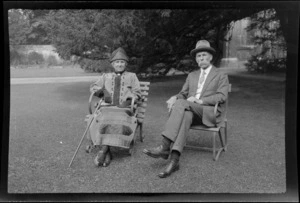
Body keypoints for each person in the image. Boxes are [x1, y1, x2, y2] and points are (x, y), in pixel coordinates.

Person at [143, 40, 229, 178]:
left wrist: (200, 100)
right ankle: (174, 160)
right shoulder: (192, 75)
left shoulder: (220, 75)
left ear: (211, 57)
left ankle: (165, 147)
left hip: (209, 112)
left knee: (182, 104)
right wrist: (174, 97)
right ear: (196, 59)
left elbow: (222, 96)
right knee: (186, 114)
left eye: (204, 55)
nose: (201, 58)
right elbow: (183, 94)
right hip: (191, 111)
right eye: (198, 56)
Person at [87, 47, 141, 167]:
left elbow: (137, 92)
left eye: (122, 62)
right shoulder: (106, 76)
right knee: (104, 116)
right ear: (113, 64)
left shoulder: (132, 76)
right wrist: (102, 92)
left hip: (124, 108)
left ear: (125, 64)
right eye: (117, 62)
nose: (120, 64)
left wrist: (129, 99)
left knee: (117, 117)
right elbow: (94, 87)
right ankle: (107, 151)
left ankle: (104, 150)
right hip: (107, 107)